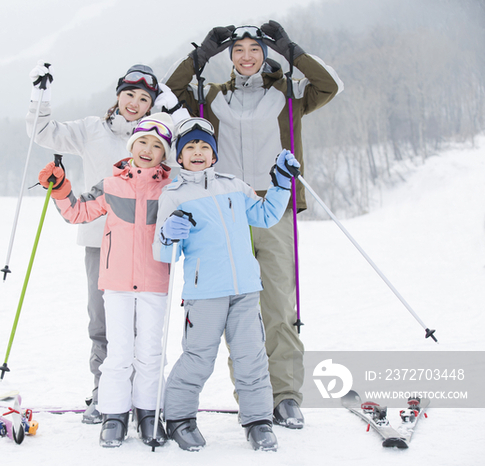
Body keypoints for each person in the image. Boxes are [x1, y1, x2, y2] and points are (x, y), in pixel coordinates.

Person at [164, 21, 344, 428]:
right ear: (229, 57)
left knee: (278, 305)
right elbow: (168, 93)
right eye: (238, 50)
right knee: (236, 307)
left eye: (256, 49)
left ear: (266, 54)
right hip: (223, 210)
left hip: (272, 206)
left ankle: (285, 396)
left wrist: (291, 50)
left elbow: (329, 85)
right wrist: (200, 56)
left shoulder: (288, 94)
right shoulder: (210, 99)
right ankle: (250, 394)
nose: (247, 56)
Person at [27, 62, 183, 424]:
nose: (135, 103)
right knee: (102, 325)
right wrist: (40, 96)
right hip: (101, 242)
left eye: (144, 98)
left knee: (143, 332)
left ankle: (143, 399)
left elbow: (191, 157)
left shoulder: (162, 138)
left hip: (147, 245)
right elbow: (42, 131)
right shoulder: (91, 130)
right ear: (118, 95)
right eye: (129, 94)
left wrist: (175, 112)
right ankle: (105, 394)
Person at [153, 118, 299, 451]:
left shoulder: (234, 185)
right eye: (190, 147)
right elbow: (164, 254)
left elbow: (264, 216)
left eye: (205, 146)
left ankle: (258, 420)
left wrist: (280, 185)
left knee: (251, 357)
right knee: (198, 358)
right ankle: (178, 417)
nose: (198, 152)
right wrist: (167, 234)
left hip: (246, 289)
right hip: (205, 294)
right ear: (179, 155)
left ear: (215, 153)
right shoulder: (173, 196)